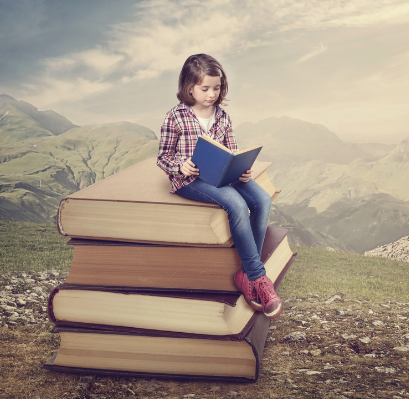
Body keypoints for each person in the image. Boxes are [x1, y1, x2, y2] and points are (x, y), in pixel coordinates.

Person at [157, 54, 282, 319]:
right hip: (190, 180)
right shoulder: (175, 117)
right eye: (205, 88)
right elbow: (163, 157)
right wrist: (180, 165)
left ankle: (246, 273)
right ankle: (258, 278)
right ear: (190, 86)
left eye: (217, 88)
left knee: (262, 200)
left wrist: (242, 170)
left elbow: (232, 151)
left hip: (221, 175)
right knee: (236, 204)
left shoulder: (223, 117)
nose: (212, 94)